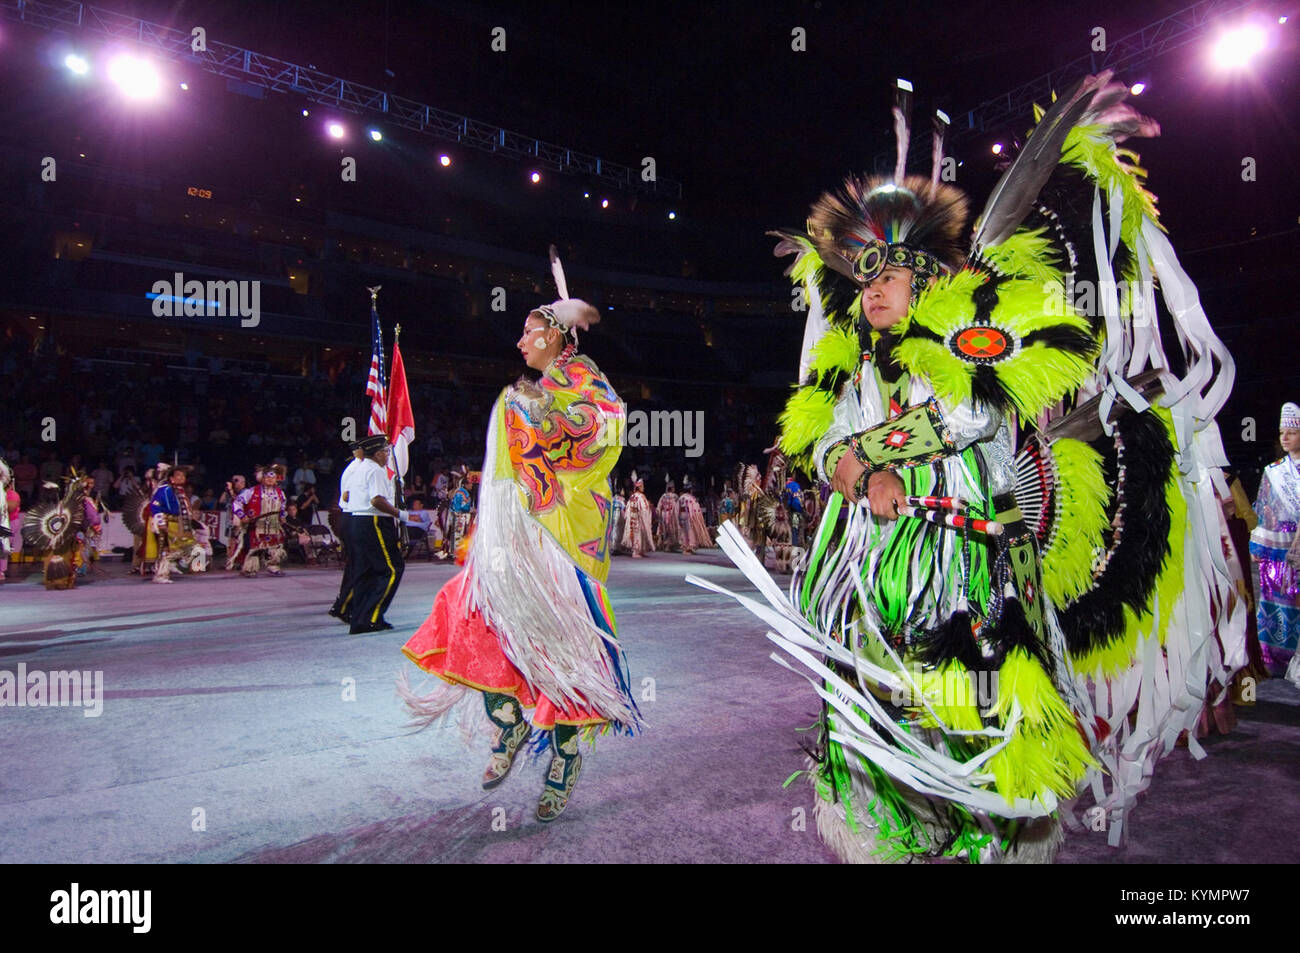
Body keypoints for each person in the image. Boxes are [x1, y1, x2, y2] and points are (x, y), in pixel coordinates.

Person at [701, 75, 1240, 862]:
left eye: (885, 278)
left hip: (975, 569)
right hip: (885, 571)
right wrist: (854, 474)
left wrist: (875, 458)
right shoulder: (854, 370)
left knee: (980, 730)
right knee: (879, 717)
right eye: (865, 281)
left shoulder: (971, 337)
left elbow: (974, 414)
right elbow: (823, 443)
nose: (871, 292)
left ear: (921, 280)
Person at [400, 250, 639, 822]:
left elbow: (602, 427)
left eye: (530, 333)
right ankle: (506, 726)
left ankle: (563, 759)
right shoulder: (536, 386)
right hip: (516, 537)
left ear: (558, 337)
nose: (520, 343)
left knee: (561, 650)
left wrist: (532, 406)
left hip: (559, 535)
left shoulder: (581, 378)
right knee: (472, 613)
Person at [1250, 402, 1300, 686]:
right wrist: (1259, 548)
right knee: (1273, 600)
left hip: (1299, 541)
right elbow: (1265, 510)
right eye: (1282, 433)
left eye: (1291, 433)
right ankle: (1272, 657)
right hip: (1277, 545)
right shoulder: (1273, 471)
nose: (1285, 438)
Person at [346, 435, 406, 634]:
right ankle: (372, 617)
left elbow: (346, 496)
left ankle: (360, 619)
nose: (388, 455)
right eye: (387, 452)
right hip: (374, 521)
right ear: (378, 453)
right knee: (392, 568)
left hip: (357, 519)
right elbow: (377, 500)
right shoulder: (375, 470)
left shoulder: (357, 469)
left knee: (366, 572)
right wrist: (401, 514)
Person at [328, 442, 366, 625]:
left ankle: (344, 604)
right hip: (352, 516)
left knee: (356, 565)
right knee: (361, 565)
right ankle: (344, 605)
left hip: (350, 516)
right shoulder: (357, 469)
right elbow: (347, 496)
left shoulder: (356, 467)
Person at [149, 465, 207, 584]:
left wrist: (190, 522)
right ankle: (160, 574)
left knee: (193, 548)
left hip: (181, 524)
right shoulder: (164, 489)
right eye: (178, 475)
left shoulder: (181, 491)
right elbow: (154, 505)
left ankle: (181, 566)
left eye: (183, 476)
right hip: (168, 523)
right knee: (170, 551)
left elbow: (184, 509)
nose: (181, 478)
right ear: (171, 478)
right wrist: (160, 521)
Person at [232, 465, 288, 577]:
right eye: (267, 477)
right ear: (262, 478)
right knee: (255, 547)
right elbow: (237, 503)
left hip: (274, 524)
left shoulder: (280, 493)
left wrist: (282, 517)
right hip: (256, 525)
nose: (270, 479)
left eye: (273, 477)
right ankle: (250, 568)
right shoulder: (251, 491)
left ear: (277, 478)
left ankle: (273, 567)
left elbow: (282, 506)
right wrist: (242, 516)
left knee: (275, 546)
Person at [622, 473, 654, 558]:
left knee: (637, 534)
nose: (643, 488)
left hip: (632, 518)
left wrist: (628, 518)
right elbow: (644, 509)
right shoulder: (641, 497)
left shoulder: (632, 496)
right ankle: (636, 551)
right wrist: (646, 518)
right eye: (642, 486)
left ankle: (639, 550)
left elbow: (628, 508)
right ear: (639, 487)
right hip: (638, 518)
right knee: (638, 534)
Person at [655, 477, 680, 552]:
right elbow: (677, 506)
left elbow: (659, 507)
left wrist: (659, 514)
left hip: (664, 515)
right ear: (671, 488)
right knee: (671, 530)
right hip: (671, 515)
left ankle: (667, 545)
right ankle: (668, 546)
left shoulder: (663, 496)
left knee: (666, 530)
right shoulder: (675, 496)